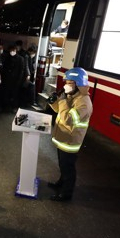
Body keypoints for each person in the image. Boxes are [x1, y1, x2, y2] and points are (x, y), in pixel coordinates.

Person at [47, 67, 93, 201]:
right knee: (63, 165)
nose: (66, 85)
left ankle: (66, 194)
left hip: (70, 141)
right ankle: (60, 184)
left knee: (68, 168)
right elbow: (60, 111)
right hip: (63, 138)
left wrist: (62, 101)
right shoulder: (72, 95)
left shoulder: (83, 102)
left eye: (70, 83)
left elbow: (68, 119)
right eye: (66, 82)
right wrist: (54, 102)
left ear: (78, 84)